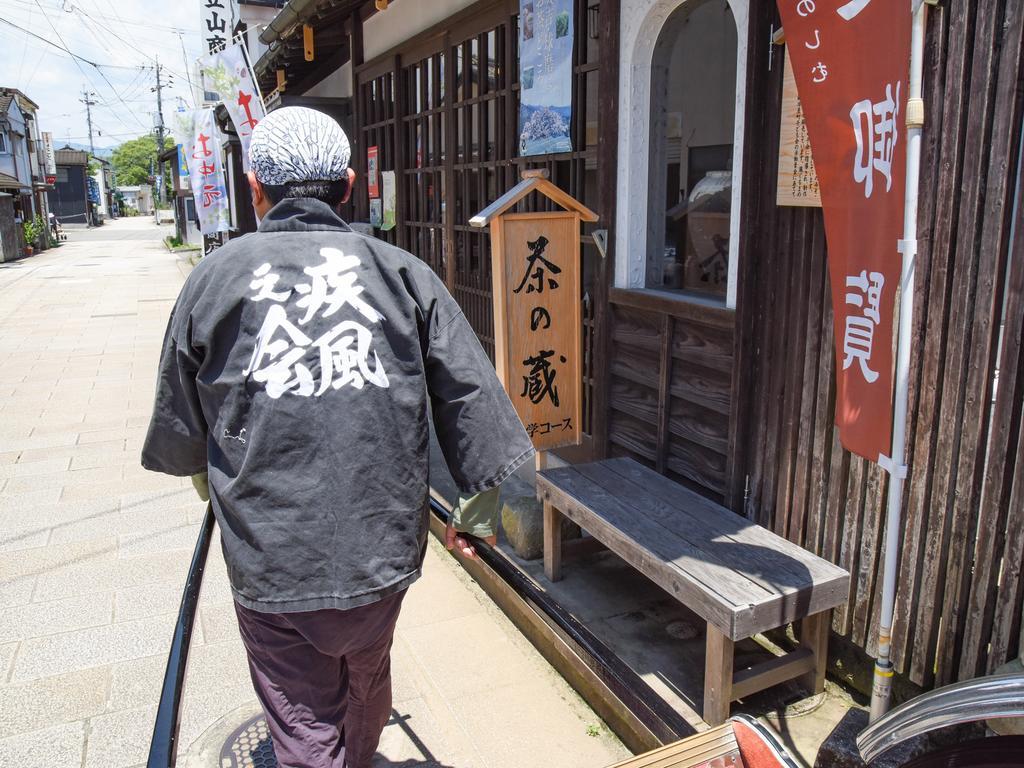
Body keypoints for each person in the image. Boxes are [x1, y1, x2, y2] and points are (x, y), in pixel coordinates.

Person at [141, 106, 534, 768]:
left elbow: (184, 432)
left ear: (254, 187)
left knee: (299, 713)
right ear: (349, 186)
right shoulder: (404, 274)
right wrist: (479, 514)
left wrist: (210, 482)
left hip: (270, 555)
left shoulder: (212, 280)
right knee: (367, 670)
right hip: (379, 550)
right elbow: (472, 396)